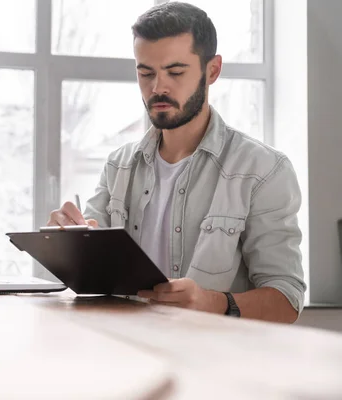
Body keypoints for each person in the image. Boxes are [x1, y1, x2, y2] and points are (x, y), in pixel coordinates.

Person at [47, 2, 306, 323]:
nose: (158, 88)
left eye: (175, 72)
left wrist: (212, 302)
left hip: (215, 364)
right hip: (128, 355)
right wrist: (70, 241)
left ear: (212, 70)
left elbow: (288, 300)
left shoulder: (264, 170)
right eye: (146, 73)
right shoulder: (118, 166)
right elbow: (90, 271)